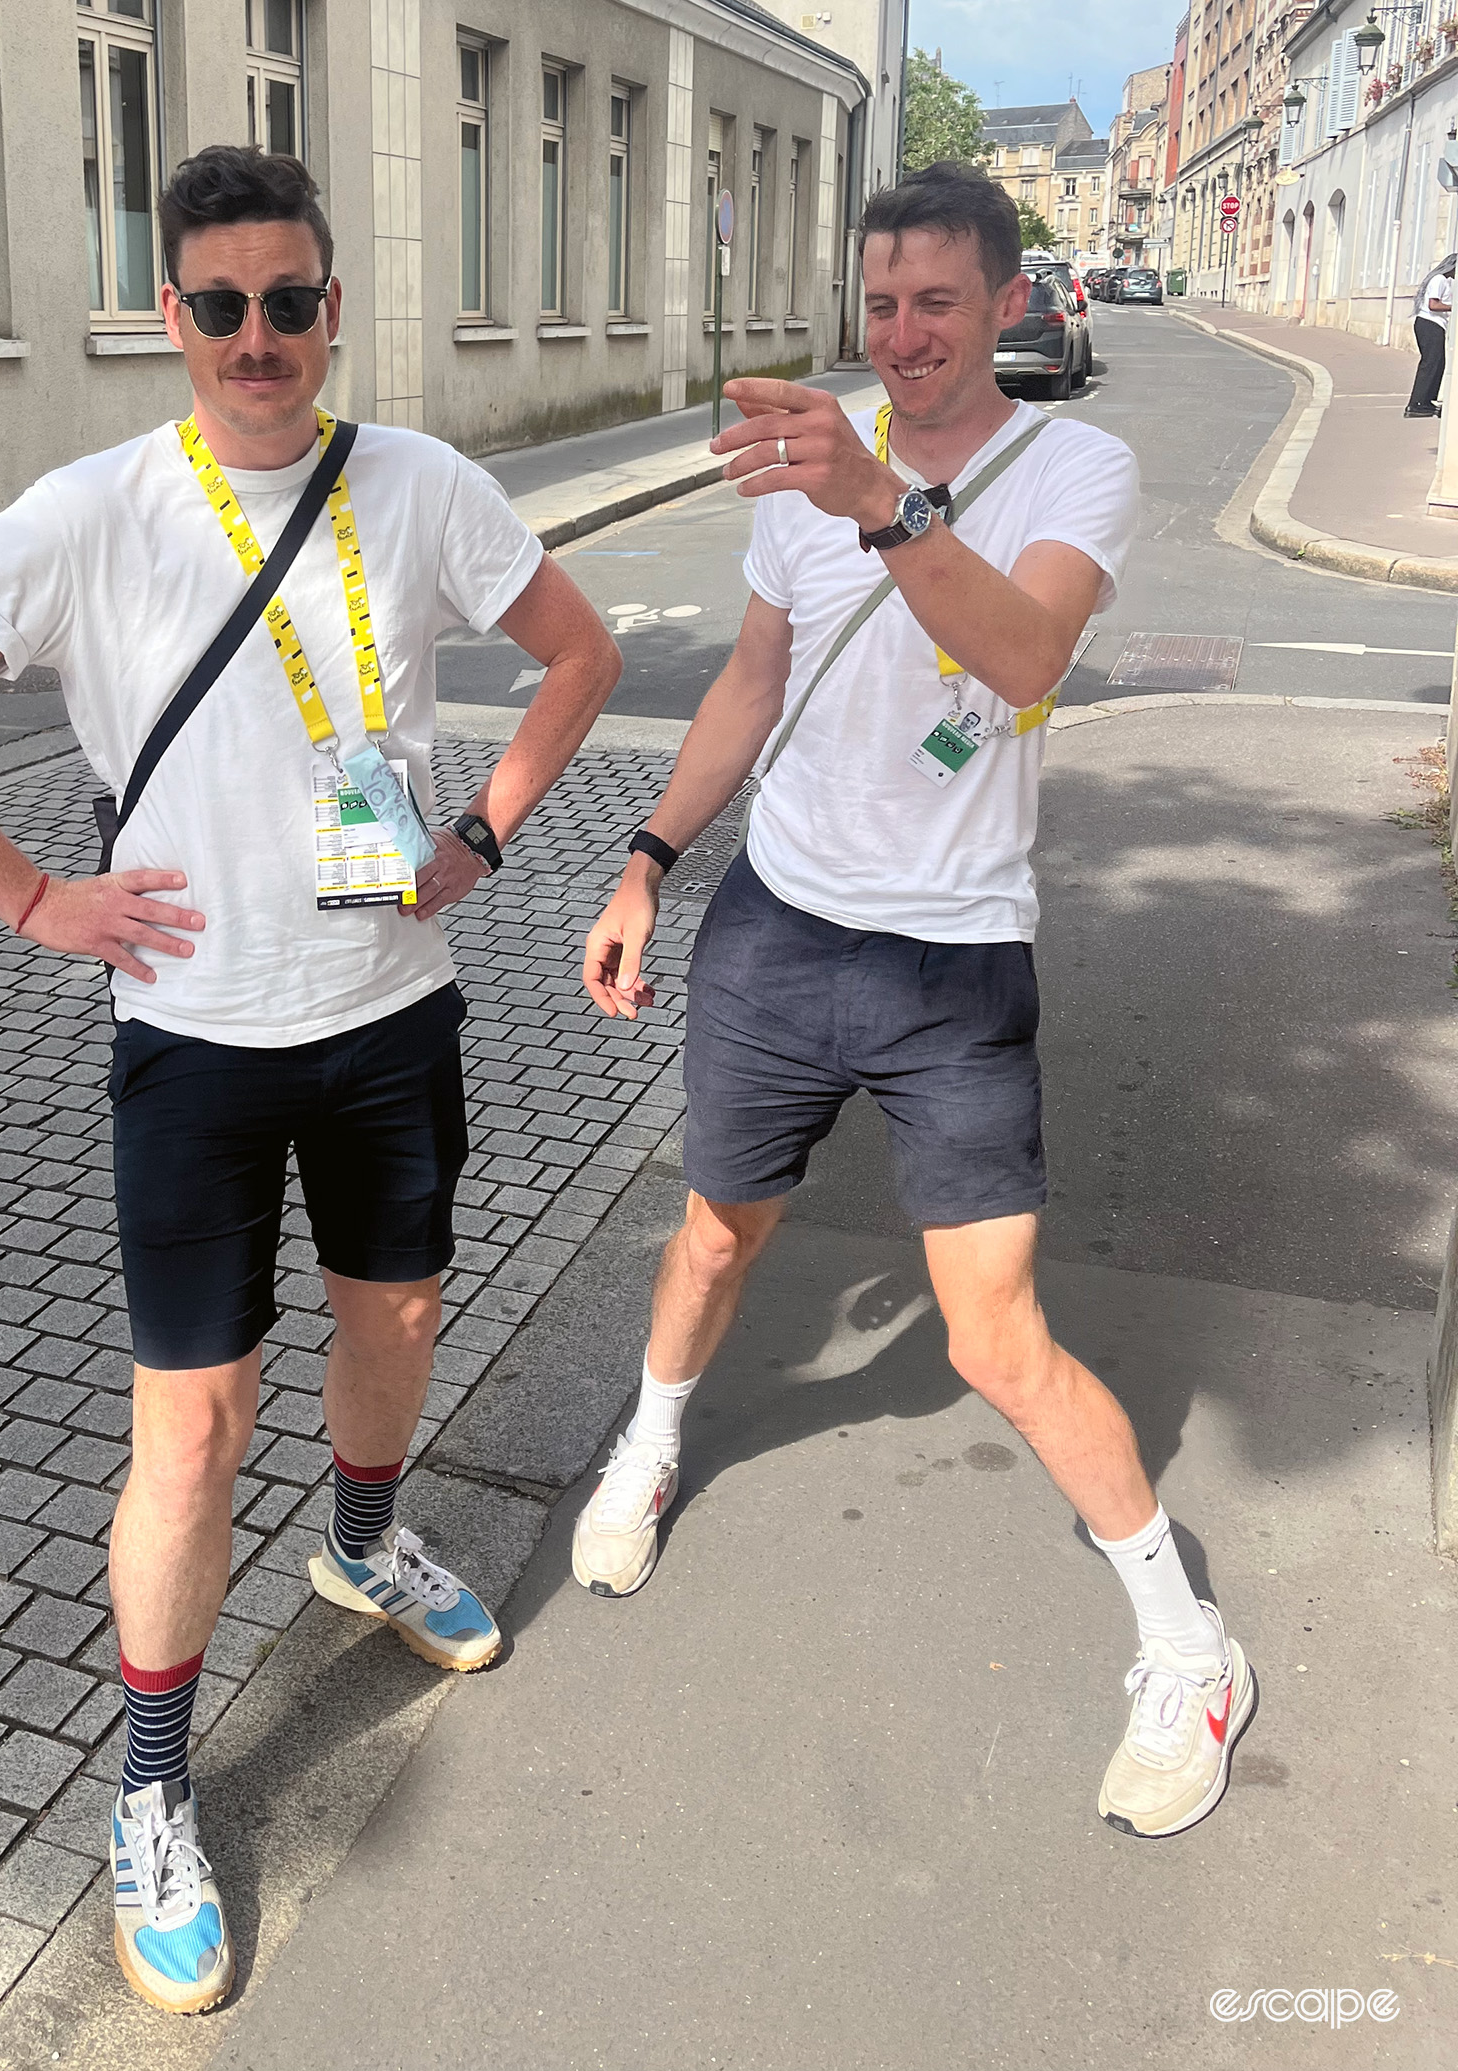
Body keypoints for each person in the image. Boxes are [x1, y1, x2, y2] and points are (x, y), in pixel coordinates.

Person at [0, 145, 619, 2014]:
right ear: (167, 319)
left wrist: (487, 843)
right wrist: (30, 897)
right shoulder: (91, 512)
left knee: (399, 1312)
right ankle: (153, 1787)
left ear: (333, 309)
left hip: (389, 1006)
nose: (257, 337)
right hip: (189, 1041)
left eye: (290, 301)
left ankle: (359, 1545)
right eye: (219, 305)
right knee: (188, 1424)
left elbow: (575, 656)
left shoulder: (422, 484)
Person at [574, 161, 1255, 1842]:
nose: (902, 335)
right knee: (716, 1234)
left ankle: (1191, 1646)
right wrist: (650, 853)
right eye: (879, 306)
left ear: (1007, 301)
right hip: (782, 928)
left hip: (953, 964)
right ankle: (649, 1443)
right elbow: (754, 676)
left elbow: (1024, 663)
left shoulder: (1073, 464)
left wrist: (879, 499)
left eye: (935, 303)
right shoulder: (799, 483)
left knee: (994, 1339)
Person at [1405, 252, 1453, 418]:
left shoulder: (1444, 281)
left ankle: (1425, 402)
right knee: (1431, 363)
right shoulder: (1439, 279)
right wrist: (1453, 307)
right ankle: (1417, 403)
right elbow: (1433, 304)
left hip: (1434, 325)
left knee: (1437, 363)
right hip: (1430, 324)